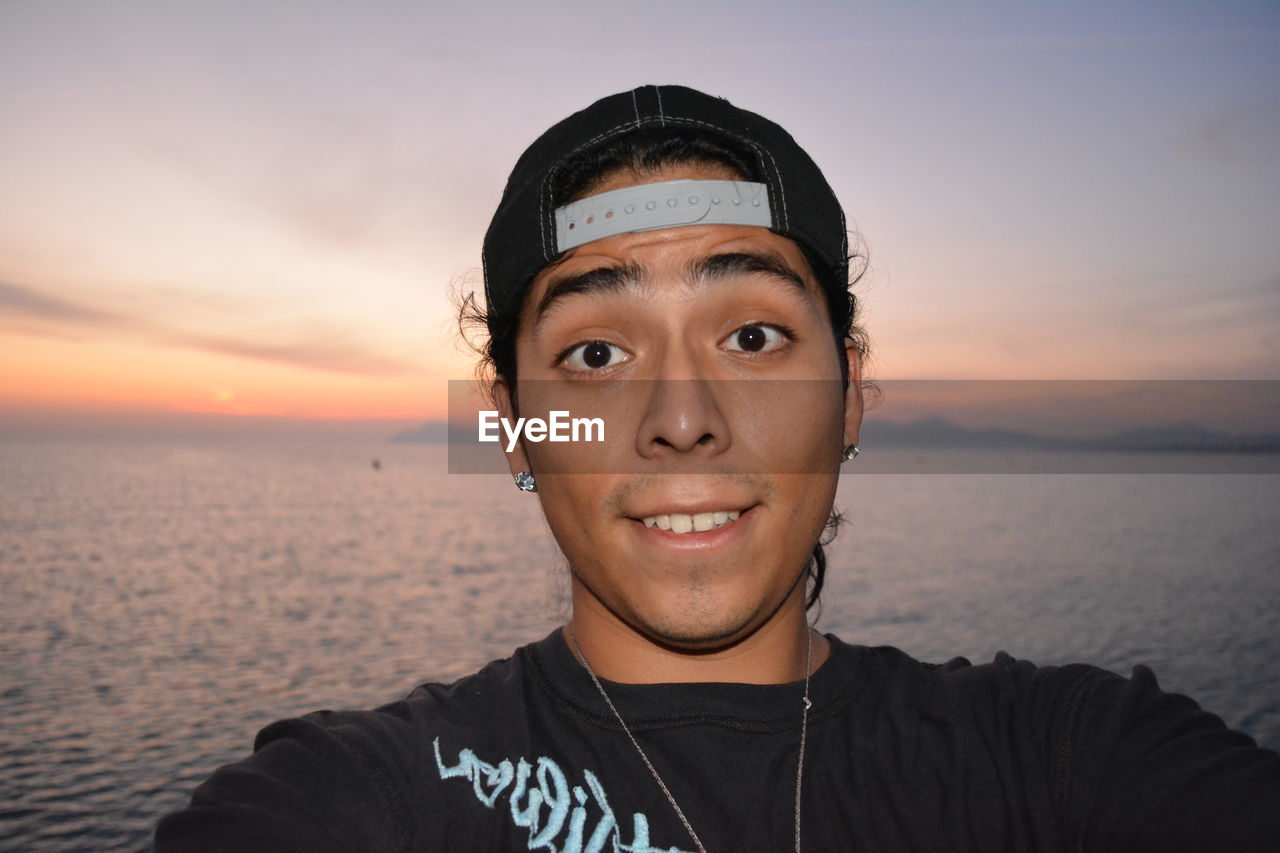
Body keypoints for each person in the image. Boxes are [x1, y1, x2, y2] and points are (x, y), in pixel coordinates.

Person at [156, 84, 1279, 852]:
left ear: (847, 392)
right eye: (594, 353)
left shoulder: (1067, 760)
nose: (682, 418)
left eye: (750, 337)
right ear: (510, 423)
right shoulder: (362, 797)